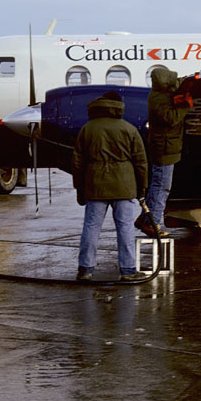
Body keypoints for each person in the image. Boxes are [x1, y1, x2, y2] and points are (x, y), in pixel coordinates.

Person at [71, 92, 149, 281]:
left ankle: (85, 270)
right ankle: (128, 270)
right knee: (125, 228)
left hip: (95, 186)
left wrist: (80, 189)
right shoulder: (128, 128)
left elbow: (77, 163)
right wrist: (142, 189)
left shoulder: (88, 129)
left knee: (91, 228)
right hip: (124, 185)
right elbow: (141, 162)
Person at [137, 68, 192, 238]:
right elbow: (171, 118)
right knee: (162, 187)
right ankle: (153, 223)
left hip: (166, 147)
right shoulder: (158, 98)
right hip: (165, 149)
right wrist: (186, 107)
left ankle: (145, 219)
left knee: (158, 185)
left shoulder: (158, 94)